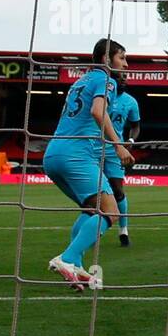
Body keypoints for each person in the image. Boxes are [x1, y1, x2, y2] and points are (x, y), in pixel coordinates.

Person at [41, 38, 133, 289]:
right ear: (106, 59)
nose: (125, 64)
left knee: (92, 209)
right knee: (110, 211)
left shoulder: (80, 81)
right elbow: (97, 111)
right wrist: (118, 144)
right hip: (76, 154)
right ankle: (68, 258)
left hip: (54, 154)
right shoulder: (106, 80)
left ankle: (76, 266)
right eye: (122, 58)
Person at [105, 74, 141, 246]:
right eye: (120, 77)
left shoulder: (131, 102)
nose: (124, 80)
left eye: (125, 78)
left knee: (117, 190)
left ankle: (123, 230)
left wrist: (131, 141)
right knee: (91, 193)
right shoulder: (100, 95)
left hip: (115, 150)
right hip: (91, 147)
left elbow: (136, 126)